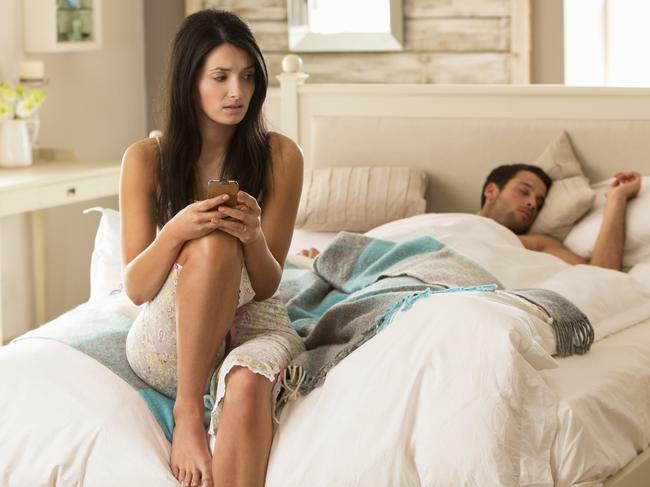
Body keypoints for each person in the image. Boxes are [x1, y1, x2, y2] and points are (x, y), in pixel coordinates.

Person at [120, 9, 304, 487]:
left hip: (250, 326)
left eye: (246, 77)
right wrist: (177, 231)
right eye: (219, 77)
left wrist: (255, 237)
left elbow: (266, 285)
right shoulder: (146, 159)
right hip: (170, 342)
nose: (236, 92)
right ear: (190, 81)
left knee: (246, 383)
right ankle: (188, 413)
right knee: (213, 247)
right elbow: (137, 289)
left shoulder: (281, 157)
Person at [300, 164, 641, 271]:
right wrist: (348, 257)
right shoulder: (439, 222)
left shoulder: (533, 243)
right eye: (524, 191)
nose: (531, 204)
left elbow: (603, 273)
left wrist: (616, 200)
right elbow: (393, 244)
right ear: (491, 190)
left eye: (538, 202)